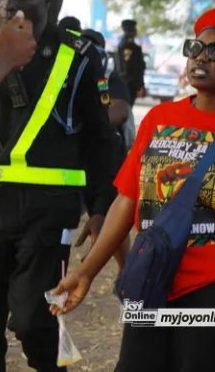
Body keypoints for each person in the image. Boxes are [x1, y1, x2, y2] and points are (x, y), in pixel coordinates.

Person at [50, 7, 215, 372]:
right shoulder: (158, 119)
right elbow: (127, 200)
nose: (201, 57)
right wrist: (86, 272)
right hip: (152, 281)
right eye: (196, 47)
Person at [0, 0, 120, 372]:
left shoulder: (78, 57)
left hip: (49, 214)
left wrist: (101, 209)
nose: (9, 5)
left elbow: (101, 140)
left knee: (33, 319)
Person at [76, 27, 133, 269]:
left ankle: (127, 272)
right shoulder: (71, 76)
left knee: (112, 219)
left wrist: (85, 120)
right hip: (79, 157)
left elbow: (118, 112)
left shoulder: (108, 79)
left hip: (109, 157)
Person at [115, 18, 147, 105]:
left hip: (123, 83)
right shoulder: (129, 46)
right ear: (131, 29)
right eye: (134, 28)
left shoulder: (121, 45)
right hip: (129, 85)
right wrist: (140, 85)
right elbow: (128, 66)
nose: (136, 30)